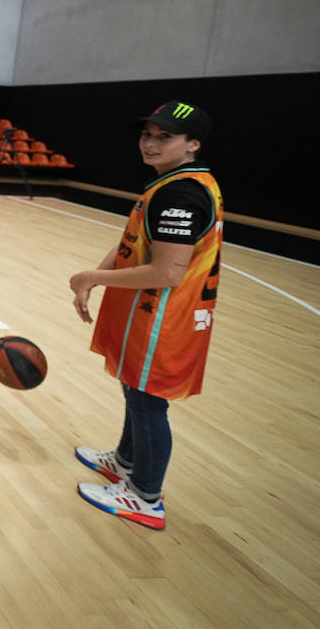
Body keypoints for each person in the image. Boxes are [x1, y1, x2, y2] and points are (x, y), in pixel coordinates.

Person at [68, 100, 222, 531]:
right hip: (153, 315)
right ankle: (126, 460)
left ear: (192, 144)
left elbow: (167, 271)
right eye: (147, 135)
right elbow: (134, 243)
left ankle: (145, 496)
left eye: (165, 137)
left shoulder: (181, 194)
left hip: (165, 319)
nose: (151, 143)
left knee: (148, 404)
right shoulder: (176, 182)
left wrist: (89, 275)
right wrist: (98, 277)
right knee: (136, 393)